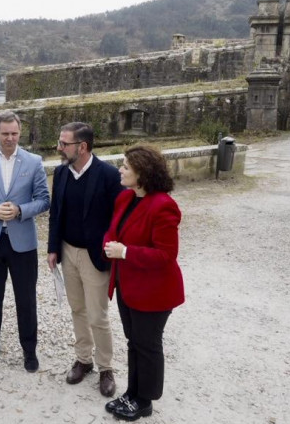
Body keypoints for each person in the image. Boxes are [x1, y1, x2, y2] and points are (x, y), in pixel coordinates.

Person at [102, 145, 185, 421]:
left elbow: (166, 255)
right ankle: (132, 393)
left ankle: (145, 401)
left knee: (148, 345)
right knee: (133, 342)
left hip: (154, 292)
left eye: (125, 166)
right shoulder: (126, 198)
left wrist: (124, 252)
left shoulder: (164, 206)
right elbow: (112, 232)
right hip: (128, 286)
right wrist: (109, 245)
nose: (120, 170)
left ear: (142, 172)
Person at [0, 110, 50, 372]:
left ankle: (29, 350)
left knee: (25, 299)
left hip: (23, 241)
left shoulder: (33, 161)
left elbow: (43, 199)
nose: (10, 138)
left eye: (14, 133)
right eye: (5, 133)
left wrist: (20, 210)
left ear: (19, 132)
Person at [47, 122, 124, 396]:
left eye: (64, 144)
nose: (58, 147)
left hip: (95, 255)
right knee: (77, 309)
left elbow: (121, 215)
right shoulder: (61, 172)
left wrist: (112, 246)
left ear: (82, 147)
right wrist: (53, 248)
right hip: (68, 252)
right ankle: (83, 359)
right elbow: (56, 214)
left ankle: (106, 367)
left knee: (98, 315)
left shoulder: (108, 175)